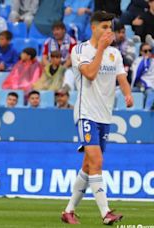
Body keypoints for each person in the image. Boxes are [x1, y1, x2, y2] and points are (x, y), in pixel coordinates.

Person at [62, 11, 133, 225]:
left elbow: (122, 77)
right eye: (104, 27)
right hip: (86, 113)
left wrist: (128, 94)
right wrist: (100, 49)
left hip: (105, 115)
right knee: (97, 161)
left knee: (88, 165)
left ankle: (68, 211)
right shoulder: (80, 50)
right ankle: (106, 213)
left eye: (110, 27)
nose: (108, 31)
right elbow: (90, 74)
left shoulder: (115, 54)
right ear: (93, 28)